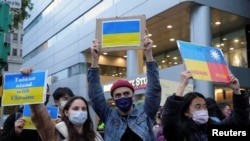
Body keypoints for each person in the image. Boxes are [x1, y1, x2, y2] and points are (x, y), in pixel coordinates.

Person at [87, 31, 162, 141]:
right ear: (113, 99)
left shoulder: (145, 113)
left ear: (133, 96)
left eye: (126, 93)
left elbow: (154, 89)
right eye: (118, 95)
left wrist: (149, 53)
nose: (122, 97)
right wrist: (94, 60)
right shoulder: (108, 116)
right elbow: (95, 95)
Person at [162, 70, 249, 141]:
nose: (203, 110)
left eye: (205, 106)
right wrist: (181, 85)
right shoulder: (179, 133)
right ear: (186, 112)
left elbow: (239, 119)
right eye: (198, 107)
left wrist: (237, 91)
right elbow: (170, 120)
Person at [20, 68, 103, 141]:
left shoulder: (96, 137)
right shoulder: (56, 133)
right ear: (66, 112)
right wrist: (33, 80)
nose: (80, 112)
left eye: (84, 109)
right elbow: (40, 115)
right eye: (76, 108)